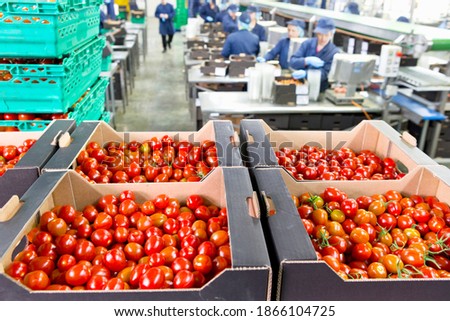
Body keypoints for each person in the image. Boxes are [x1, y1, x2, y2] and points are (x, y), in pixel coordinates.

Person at [289, 17, 340, 92]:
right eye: (320, 34)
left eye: (326, 35)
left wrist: (306, 74)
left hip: (319, 89)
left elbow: (325, 74)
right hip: (300, 85)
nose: (323, 38)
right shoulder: (307, 44)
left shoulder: (333, 52)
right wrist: (305, 61)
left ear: (332, 34)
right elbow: (293, 61)